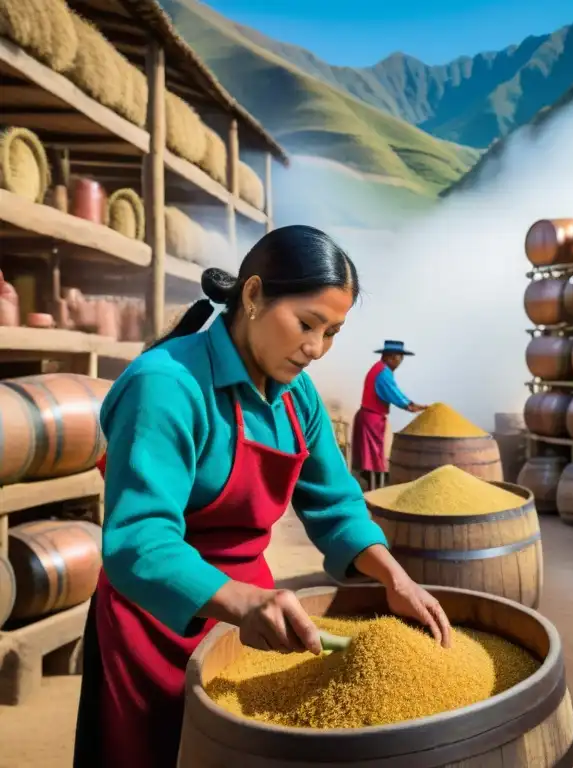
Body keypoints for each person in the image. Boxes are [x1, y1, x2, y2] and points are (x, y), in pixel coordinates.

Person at [72, 225, 452, 768]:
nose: (316, 349)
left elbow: (336, 502)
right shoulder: (166, 384)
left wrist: (395, 577)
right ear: (252, 296)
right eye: (306, 324)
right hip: (157, 622)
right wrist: (243, 602)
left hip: (255, 625)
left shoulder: (298, 396)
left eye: (333, 332)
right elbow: (140, 542)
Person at [351, 340, 426, 490]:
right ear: (389, 357)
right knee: (372, 459)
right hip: (371, 418)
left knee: (371, 457)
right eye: (398, 358)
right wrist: (411, 405)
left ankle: (371, 484)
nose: (399, 362)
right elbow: (394, 394)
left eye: (401, 358)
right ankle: (374, 489)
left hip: (370, 417)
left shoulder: (380, 369)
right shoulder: (383, 373)